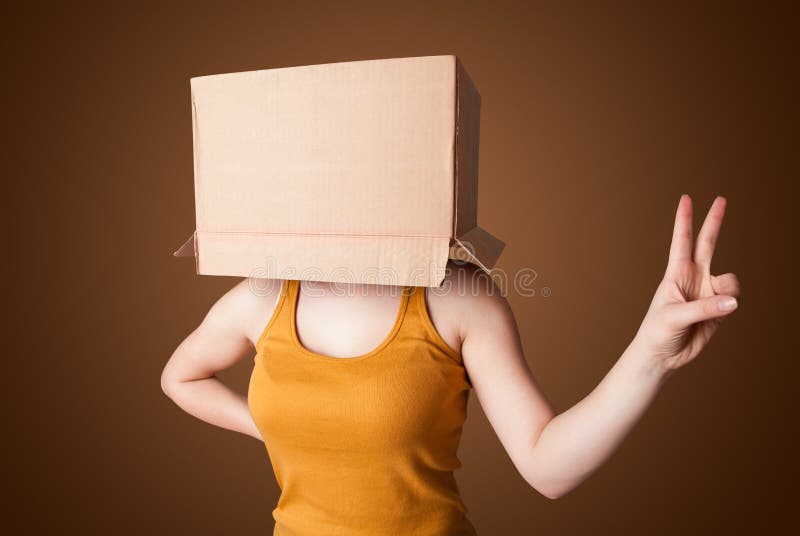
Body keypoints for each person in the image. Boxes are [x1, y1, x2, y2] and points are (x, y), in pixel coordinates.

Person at [160, 194, 741, 534]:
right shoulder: (260, 297)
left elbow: (548, 467)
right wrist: (281, 429)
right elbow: (180, 378)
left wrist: (651, 354)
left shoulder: (457, 296)